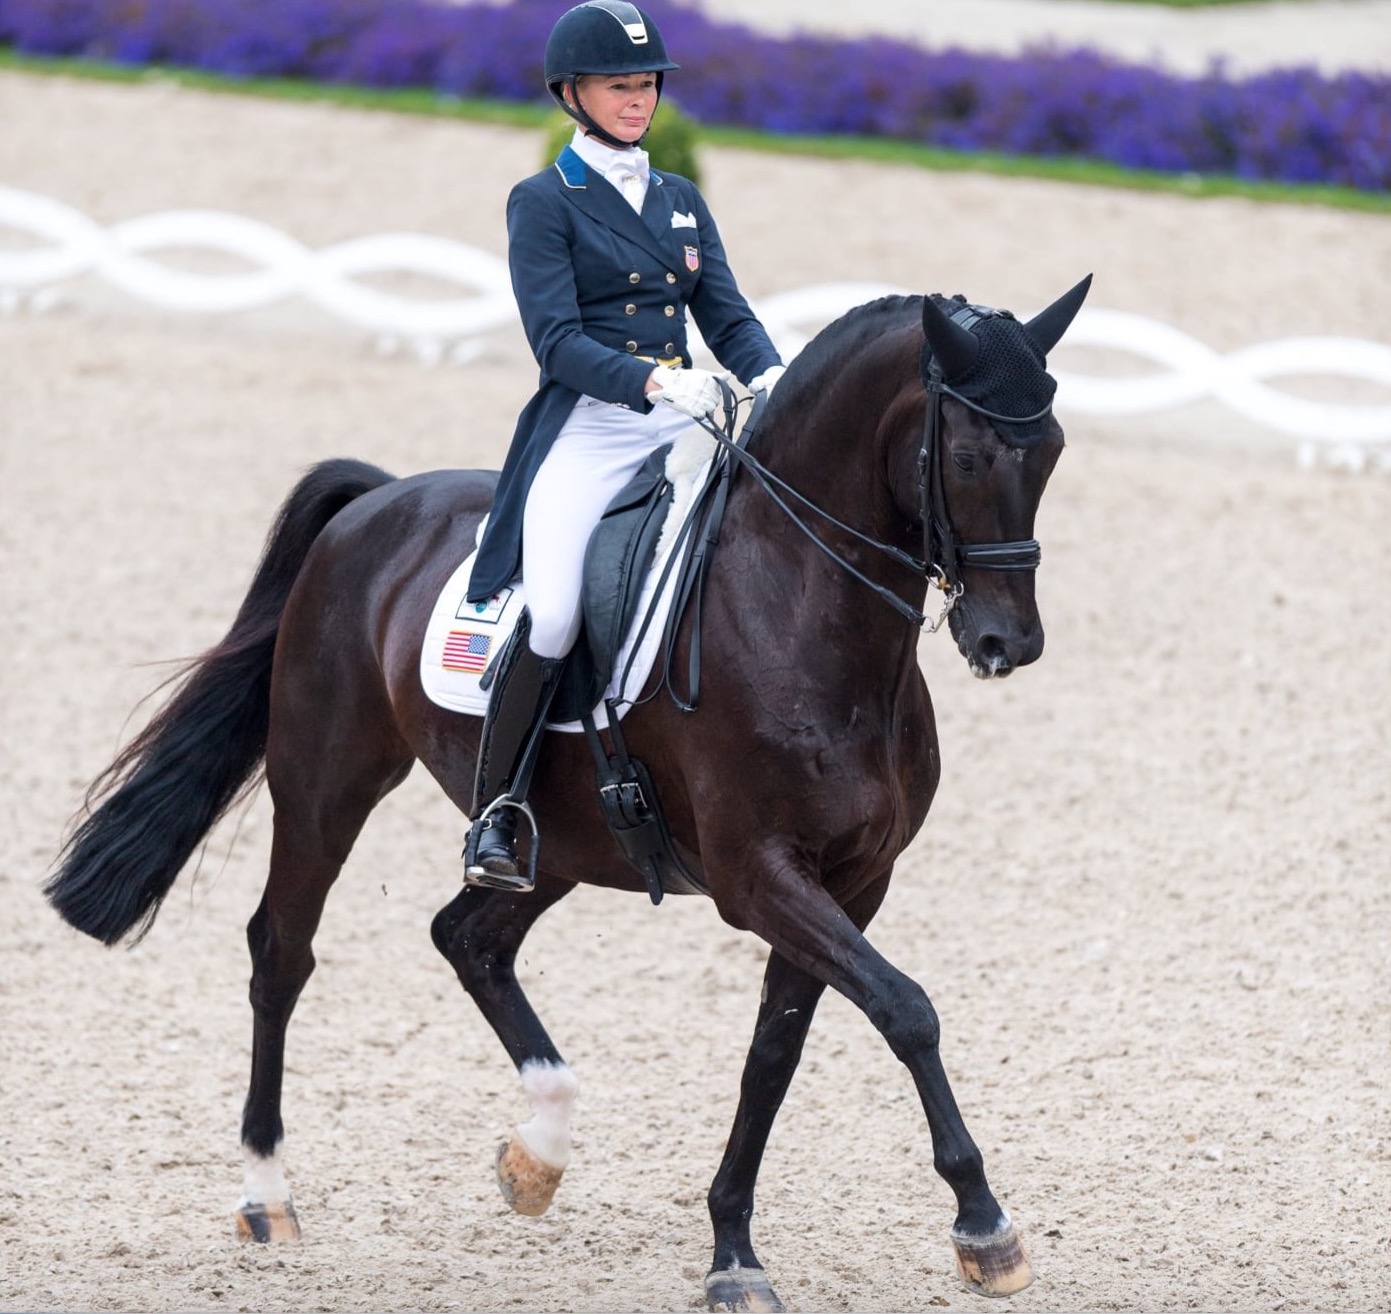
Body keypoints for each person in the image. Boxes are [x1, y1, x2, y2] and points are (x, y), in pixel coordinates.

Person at [462, 0, 787, 891]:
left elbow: (725, 313)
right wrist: (649, 380)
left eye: (645, 84)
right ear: (573, 94)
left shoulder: (680, 200)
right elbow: (555, 341)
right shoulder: (543, 202)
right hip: (595, 426)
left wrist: (771, 377)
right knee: (559, 608)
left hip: (689, 416)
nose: (638, 100)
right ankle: (500, 810)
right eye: (619, 85)